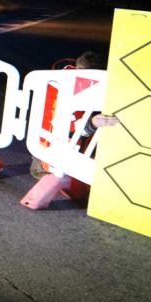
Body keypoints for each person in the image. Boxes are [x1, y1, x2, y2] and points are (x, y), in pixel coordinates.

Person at [31, 51, 118, 200]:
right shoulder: (68, 89)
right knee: (84, 194)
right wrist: (92, 123)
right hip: (51, 159)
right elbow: (66, 128)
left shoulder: (59, 78)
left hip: (47, 151)